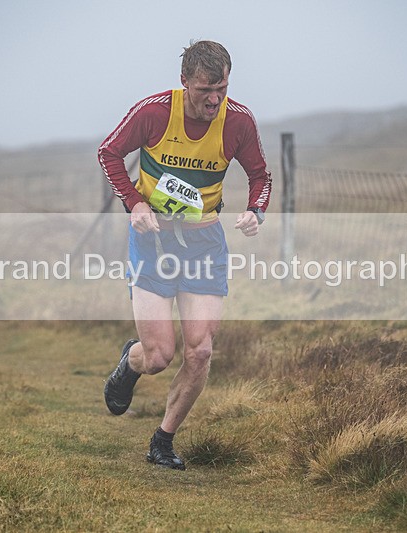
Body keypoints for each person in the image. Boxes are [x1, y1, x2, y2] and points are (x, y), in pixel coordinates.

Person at [98, 40, 272, 470]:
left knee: (200, 351)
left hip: (204, 243)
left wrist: (256, 212)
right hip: (154, 241)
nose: (214, 99)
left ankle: (163, 440)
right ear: (185, 83)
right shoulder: (154, 112)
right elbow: (109, 153)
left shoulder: (238, 122)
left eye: (222, 88)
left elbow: (260, 176)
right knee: (159, 356)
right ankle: (131, 362)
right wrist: (135, 204)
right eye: (205, 90)